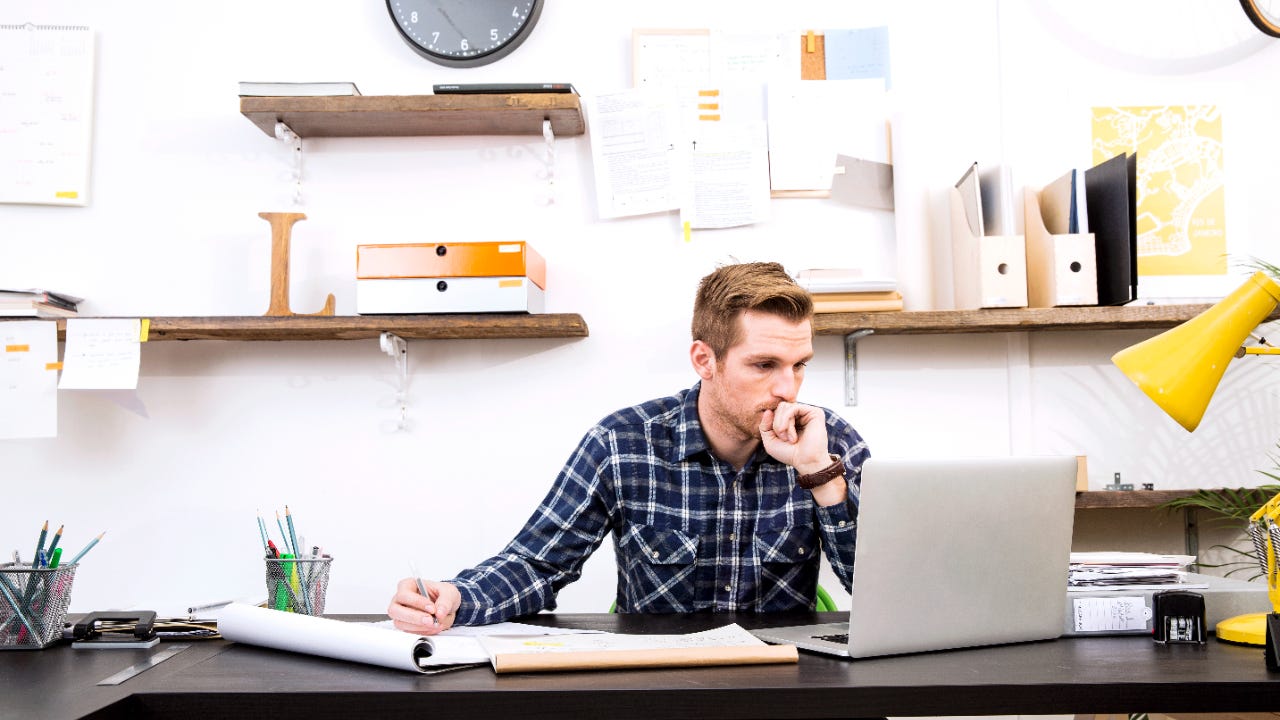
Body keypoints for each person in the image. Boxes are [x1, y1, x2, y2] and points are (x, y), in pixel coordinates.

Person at [388, 262, 870, 634]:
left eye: (800, 364)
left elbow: (881, 595)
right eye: (764, 365)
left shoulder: (830, 443)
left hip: (787, 694)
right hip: (662, 692)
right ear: (705, 359)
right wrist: (456, 595)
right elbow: (538, 563)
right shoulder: (623, 443)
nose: (789, 388)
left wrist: (819, 474)